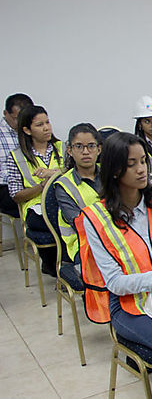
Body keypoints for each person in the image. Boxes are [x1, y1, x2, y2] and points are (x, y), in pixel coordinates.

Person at [75, 132, 152, 398]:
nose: (141, 169)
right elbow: (115, 283)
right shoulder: (96, 218)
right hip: (128, 306)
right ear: (113, 170)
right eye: (131, 164)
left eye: (143, 161)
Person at [7, 105, 64, 276]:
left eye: (47, 122)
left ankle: (64, 264)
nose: (46, 128)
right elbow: (16, 195)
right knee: (60, 220)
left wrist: (54, 173)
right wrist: (42, 186)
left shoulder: (63, 148)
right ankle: (59, 265)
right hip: (36, 209)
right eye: (39, 125)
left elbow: (76, 171)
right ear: (27, 130)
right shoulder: (16, 157)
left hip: (64, 202)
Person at [54, 123, 102, 267]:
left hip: (118, 237)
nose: (86, 152)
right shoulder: (63, 186)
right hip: (84, 245)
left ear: (99, 149)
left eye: (91, 146)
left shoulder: (110, 174)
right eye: (79, 146)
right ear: (69, 150)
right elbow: (79, 224)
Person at [0, 93, 33, 217]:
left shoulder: (32, 131)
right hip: (6, 187)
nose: (21, 123)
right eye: (17, 118)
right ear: (5, 113)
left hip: (34, 182)